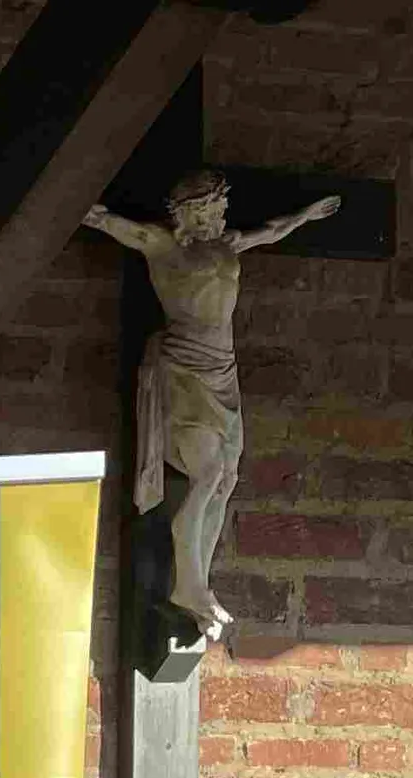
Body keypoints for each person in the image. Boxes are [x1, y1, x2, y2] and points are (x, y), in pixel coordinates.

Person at [82, 170, 342, 638]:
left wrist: (307, 215)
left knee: (226, 479)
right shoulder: (163, 245)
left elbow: (273, 230)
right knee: (206, 475)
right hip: (186, 369)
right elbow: (103, 220)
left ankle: (198, 580)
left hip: (225, 369)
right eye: (216, 207)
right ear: (193, 210)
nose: (223, 214)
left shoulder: (228, 244)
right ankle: (191, 585)